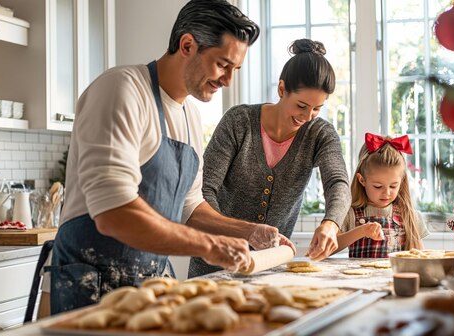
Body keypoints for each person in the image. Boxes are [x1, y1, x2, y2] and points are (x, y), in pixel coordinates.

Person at [47, 0, 293, 315]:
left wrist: (247, 231)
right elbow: (113, 212)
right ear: (187, 45)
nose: (228, 80)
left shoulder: (189, 115)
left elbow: (189, 206)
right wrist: (209, 246)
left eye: (236, 69)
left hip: (150, 283)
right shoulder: (121, 90)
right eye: (222, 64)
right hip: (94, 284)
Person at [190, 39, 351, 277]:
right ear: (282, 89)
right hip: (214, 262)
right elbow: (204, 190)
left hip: (269, 270)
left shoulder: (320, 134)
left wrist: (331, 223)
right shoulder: (239, 122)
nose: (308, 117)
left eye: (317, 108)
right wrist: (232, 234)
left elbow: (338, 182)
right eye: (301, 105)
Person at [331, 133, 429, 258]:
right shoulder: (350, 214)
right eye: (378, 186)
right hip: (360, 277)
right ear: (362, 180)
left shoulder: (409, 215)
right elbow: (328, 248)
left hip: (393, 277)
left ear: (402, 181)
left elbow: (420, 258)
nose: (386, 193)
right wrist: (361, 231)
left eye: (393, 186)